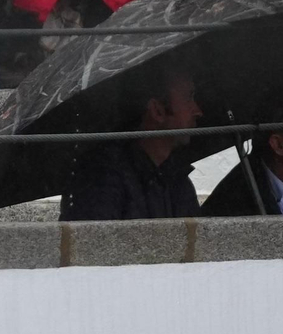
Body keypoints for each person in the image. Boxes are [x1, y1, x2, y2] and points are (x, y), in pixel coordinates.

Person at [61, 64, 203, 222]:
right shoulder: (102, 178)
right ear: (157, 111)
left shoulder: (177, 180)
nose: (198, 111)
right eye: (189, 98)